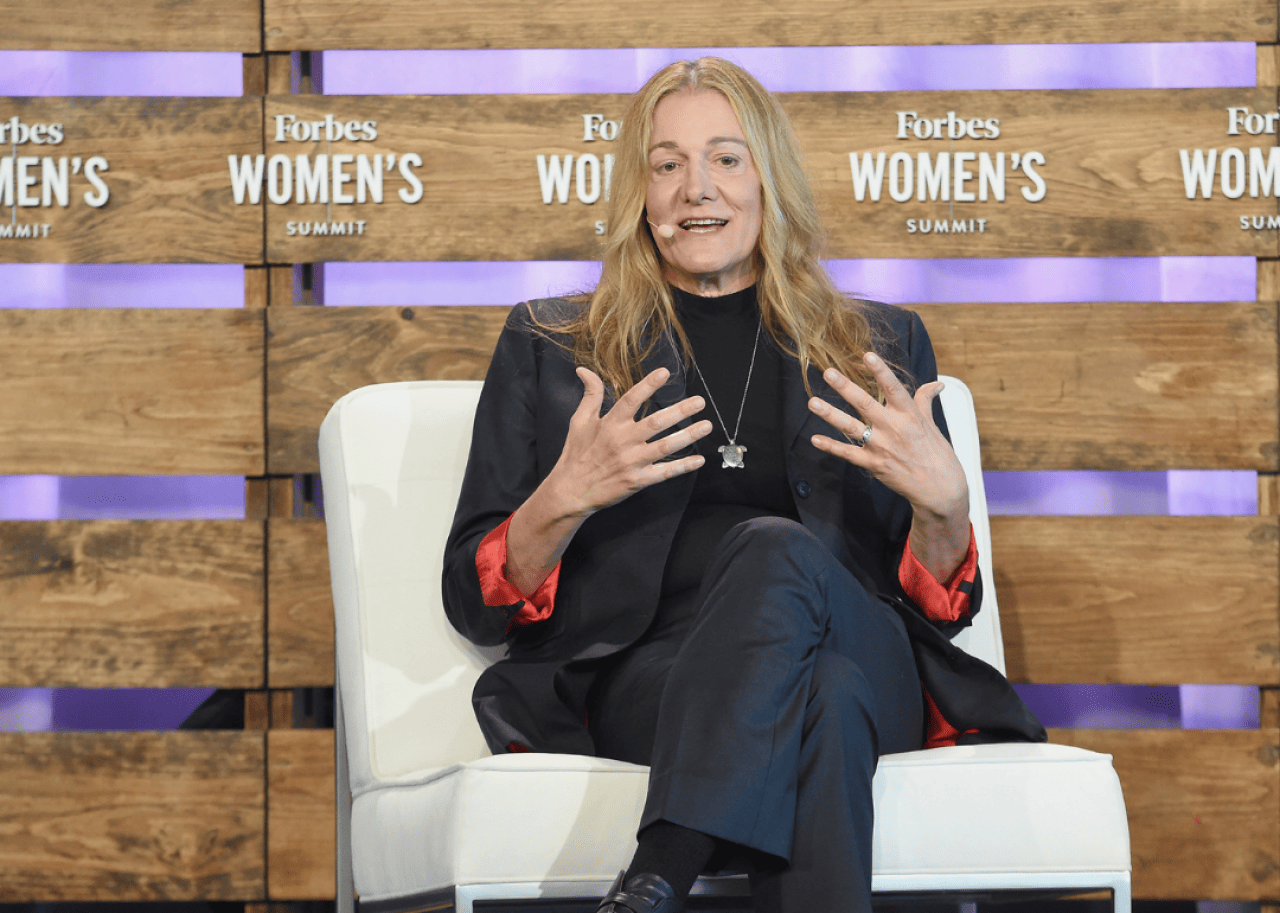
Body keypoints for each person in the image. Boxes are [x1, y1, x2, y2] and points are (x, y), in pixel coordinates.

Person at [443, 57, 1044, 913]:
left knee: (775, 555)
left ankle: (662, 864)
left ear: (770, 180)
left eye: (727, 158)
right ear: (639, 194)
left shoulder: (876, 344)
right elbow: (474, 599)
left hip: (863, 645)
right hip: (652, 673)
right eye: (667, 163)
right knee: (822, 705)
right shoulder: (553, 345)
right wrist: (563, 497)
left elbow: (945, 606)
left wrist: (944, 508)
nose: (699, 188)